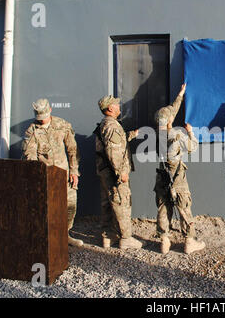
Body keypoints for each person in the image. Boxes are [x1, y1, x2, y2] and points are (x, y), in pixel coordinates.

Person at [22, 98, 83, 246]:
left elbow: (73, 150)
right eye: (39, 118)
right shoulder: (32, 131)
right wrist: (37, 177)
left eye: (44, 117)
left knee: (70, 206)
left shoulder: (62, 125)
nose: (42, 121)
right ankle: (48, 239)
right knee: (46, 209)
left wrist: (74, 171)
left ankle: (64, 234)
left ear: (50, 110)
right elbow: (29, 157)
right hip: (45, 177)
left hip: (64, 175)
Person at [154, 83, 206, 254]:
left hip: (162, 178)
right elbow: (193, 147)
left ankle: (164, 241)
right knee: (184, 208)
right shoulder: (176, 135)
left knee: (164, 207)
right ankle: (189, 242)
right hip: (177, 179)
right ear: (169, 121)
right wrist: (190, 132)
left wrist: (181, 94)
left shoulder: (158, 135)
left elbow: (170, 112)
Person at [95, 95, 142, 250]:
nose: (119, 106)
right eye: (116, 104)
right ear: (110, 108)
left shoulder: (106, 124)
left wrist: (132, 134)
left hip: (105, 171)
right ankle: (126, 238)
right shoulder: (112, 126)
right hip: (114, 172)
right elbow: (113, 151)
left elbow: (115, 142)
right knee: (122, 202)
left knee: (107, 203)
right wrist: (121, 172)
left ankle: (108, 237)